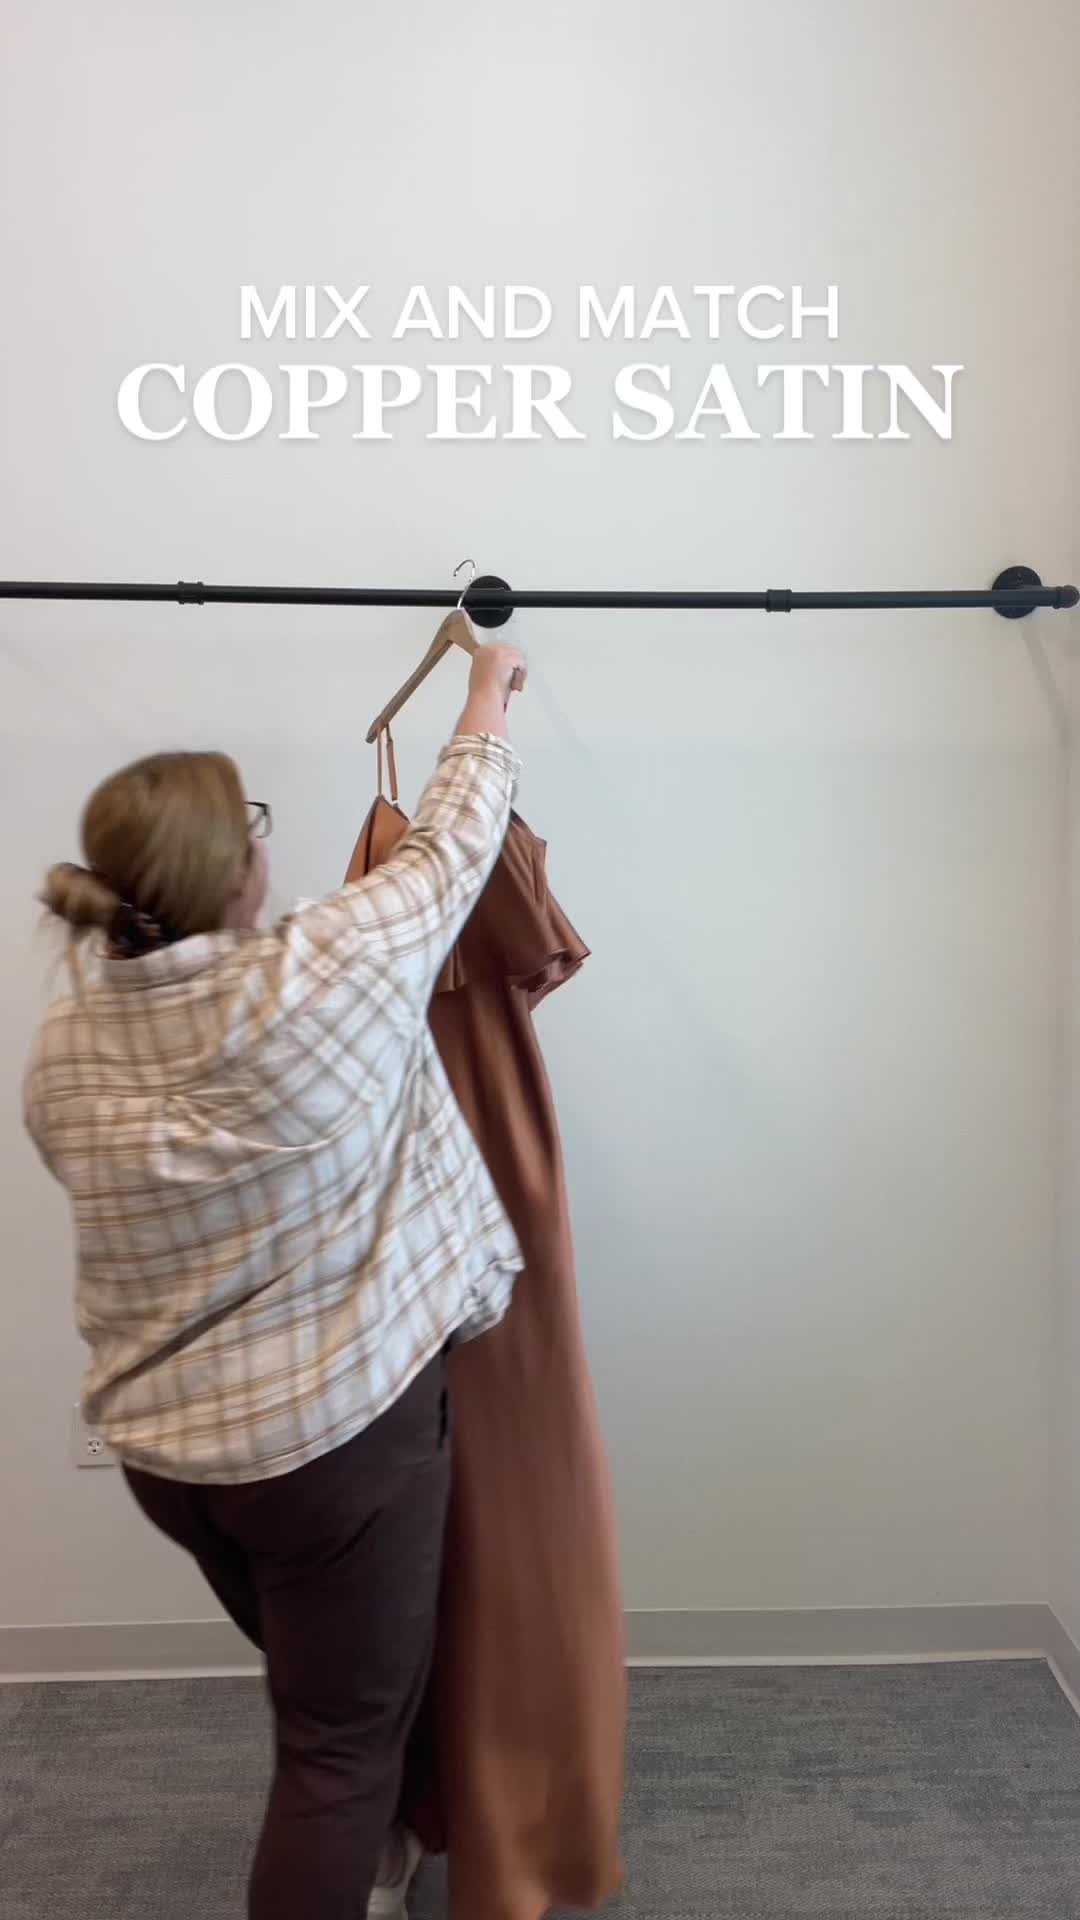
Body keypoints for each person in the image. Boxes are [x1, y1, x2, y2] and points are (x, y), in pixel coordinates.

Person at [23, 640, 528, 1920]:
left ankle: (405, 1832)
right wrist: (486, 693)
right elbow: (452, 847)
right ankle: (374, 1843)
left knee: (339, 1693)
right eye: (249, 824)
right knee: (330, 1754)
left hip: (173, 1466)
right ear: (237, 869)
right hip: (331, 1452)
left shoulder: (64, 1050)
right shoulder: (330, 969)